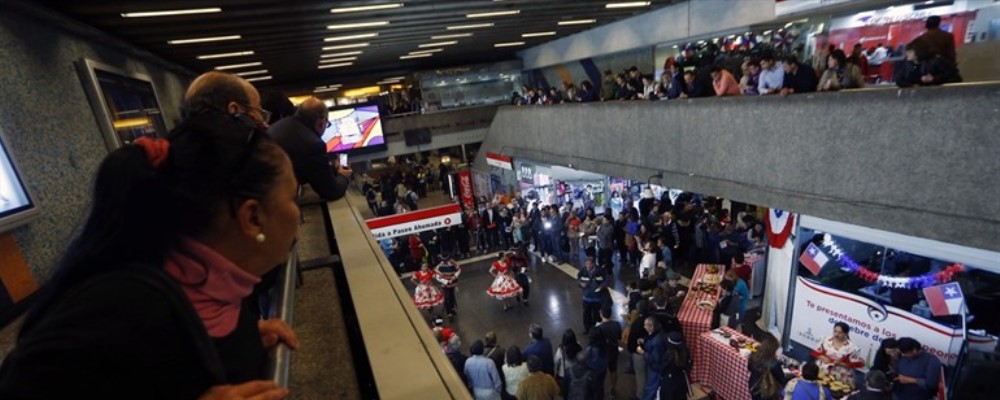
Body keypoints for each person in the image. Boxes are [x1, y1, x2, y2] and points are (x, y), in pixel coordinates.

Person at [0, 74, 299, 399]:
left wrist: (241, 340)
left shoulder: (196, 288)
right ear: (252, 218)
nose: (297, 213)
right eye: (290, 197)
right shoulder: (125, 310)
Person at [268, 96, 351, 201]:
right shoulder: (314, 144)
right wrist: (343, 176)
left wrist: (332, 169)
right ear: (321, 122)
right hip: (275, 199)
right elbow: (331, 192)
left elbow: (310, 168)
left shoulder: (283, 124)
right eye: (327, 124)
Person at [748, 333, 786, 400]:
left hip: (753, 385)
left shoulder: (754, 355)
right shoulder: (774, 364)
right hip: (767, 390)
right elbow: (782, 380)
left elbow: (749, 367)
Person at [596, 307, 622, 398]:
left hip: (602, 352)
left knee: (601, 371)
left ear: (601, 315)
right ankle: (613, 388)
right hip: (613, 351)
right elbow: (619, 337)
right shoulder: (617, 324)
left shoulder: (599, 328)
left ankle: (599, 388)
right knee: (613, 370)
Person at [637, 316, 666, 400]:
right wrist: (644, 341)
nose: (644, 327)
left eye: (645, 325)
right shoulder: (658, 333)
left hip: (655, 368)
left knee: (651, 388)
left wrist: (643, 352)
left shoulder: (656, 342)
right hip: (654, 367)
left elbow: (655, 359)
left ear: (652, 326)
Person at [578, 257, 608, 333]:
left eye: (589, 264)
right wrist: (580, 284)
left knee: (596, 314)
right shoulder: (583, 270)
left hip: (597, 298)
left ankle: (596, 329)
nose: (587, 265)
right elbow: (578, 279)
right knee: (586, 314)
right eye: (586, 264)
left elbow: (605, 281)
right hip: (586, 298)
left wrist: (601, 287)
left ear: (593, 264)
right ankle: (587, 328)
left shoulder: (600, 271)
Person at [659, 331, 690, 400]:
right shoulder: (685, 353)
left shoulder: (669, 356)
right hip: (681, 383)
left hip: (669, 384)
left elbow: (662, 369)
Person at [553, 329, 583, 397]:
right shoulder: (578, 346)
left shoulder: (561, 349)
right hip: (575, 373)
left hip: (563, 374)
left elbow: (555, 361)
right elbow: (581, 359)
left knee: (565, 392)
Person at [583, 329, 609, 400]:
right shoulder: (605, 345)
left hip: (593, 372)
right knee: (600, 386)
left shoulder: (590, 349)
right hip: (602, 370)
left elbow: (585, 358)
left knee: (591, 388)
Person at [435, 253, 462, 318]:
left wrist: (455, 276)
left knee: (452, 296)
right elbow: (437, 276)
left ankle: (452, 308)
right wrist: (446, 281)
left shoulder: (453, 264)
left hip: (452, 283)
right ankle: (448, 311)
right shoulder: (440, 266)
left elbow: (458, 270)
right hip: (445, 284)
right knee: (447, 297)